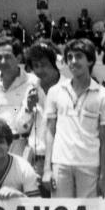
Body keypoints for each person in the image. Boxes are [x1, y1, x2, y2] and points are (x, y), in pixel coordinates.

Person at [43, 39, 105, 198]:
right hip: (60, 163)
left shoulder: (104, 96)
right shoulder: (55, 92)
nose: (73, 61)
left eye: (79, 56)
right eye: (69, 57)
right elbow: (50, 131)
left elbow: (104, 139)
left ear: (90, 60)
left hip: (89, 165)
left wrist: (104, 174)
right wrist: (47, 168)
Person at [0, 37, 37, 157]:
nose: (2, 61)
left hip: (24, 145)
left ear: (18, 58)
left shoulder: (34, 82)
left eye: (7, 57)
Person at [21, 39, 63, 195]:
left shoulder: (68, 89)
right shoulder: (31, 89)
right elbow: (21, 126)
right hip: (34, 160)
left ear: (57, 63)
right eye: (36, 66)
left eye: (44, 65)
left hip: (59, 160)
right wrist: (28, 108)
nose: (39, 71)